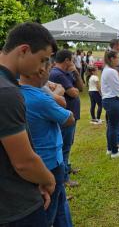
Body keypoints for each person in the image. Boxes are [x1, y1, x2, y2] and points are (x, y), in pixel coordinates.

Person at [0, 22, 57, 226]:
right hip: (16, 206)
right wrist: (48, 180)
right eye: (42, 60)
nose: (42, 68)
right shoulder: (6, 92)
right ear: (24, 50)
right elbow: (24, 162)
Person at [20, 60, 75, 226]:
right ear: (40, 72)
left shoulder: (16, 91)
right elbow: (68, 118)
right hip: (49, 162)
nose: (50, 73)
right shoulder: (40, 98)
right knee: (50, 210)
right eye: (48, 68)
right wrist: (54, 92)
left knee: (60, 204)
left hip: (38, 160)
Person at [49, 49, 83, 188]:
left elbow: (80, 87)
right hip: (65, 115)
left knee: (68, 144)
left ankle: (67, 168)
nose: (74, 61)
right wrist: (74, 87)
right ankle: (64, 178)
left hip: (71, 114)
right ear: (67, 61)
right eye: (73, 59)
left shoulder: (67, 73)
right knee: (64, 146)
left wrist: (75, 72)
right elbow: (74, 93)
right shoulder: (57, 74)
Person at [101, 50, 119, 158]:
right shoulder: (111, 71)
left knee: (111, 126)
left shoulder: (107, 70)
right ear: (112, 58)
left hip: (109, 100)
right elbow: (118, 87)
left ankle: (110, 148)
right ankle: (115, 151)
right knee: (114, 126)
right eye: (118, 57)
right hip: (113, 100)